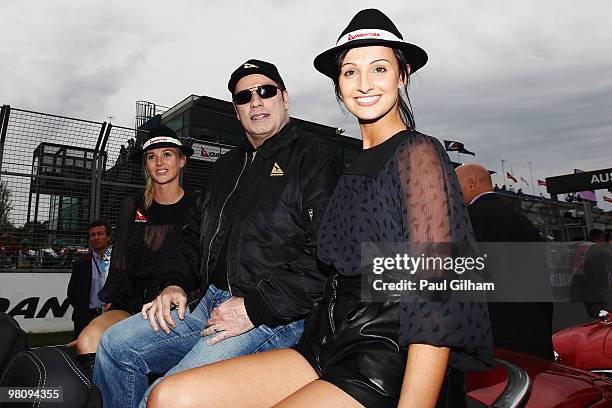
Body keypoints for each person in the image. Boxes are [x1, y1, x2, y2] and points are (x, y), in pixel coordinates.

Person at [146, 9, 493, 408]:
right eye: (350, 72)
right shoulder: (352, 167)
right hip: (322, 343)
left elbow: (439, 295)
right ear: (338, 84)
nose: (364, 84)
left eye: (379, 69)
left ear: (403, 75)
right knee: (170, 396)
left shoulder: (419, 154)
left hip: (381, 357)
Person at [93, 59, 342, 408]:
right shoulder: (225, 167)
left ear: (284, 98)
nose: (255, 101)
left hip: (270, 316)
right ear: (237, 111)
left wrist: (254, 308)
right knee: (114, 346)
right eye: (244, 97)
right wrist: (175, 283)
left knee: (163, 396)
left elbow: (326, 257)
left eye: (265, 91)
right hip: (208, 304)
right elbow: (192, 237)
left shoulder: (316, 156)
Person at [72, 125, 196, 377]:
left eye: (167, 154)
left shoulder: (198, 205)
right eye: (152, 156)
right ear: (145, 165)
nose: (159, 162)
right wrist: (111, 298)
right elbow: (121, 259)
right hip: (130, 304)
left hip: (177, 309)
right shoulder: (132, 206)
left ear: (182, 160)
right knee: (87, 341)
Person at [455, 163, 554, 359]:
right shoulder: (519, 219)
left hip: (499, 339)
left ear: (471, 184)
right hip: (534, 333)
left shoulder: (472, 218)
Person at [67, 220, 112, 340]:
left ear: (108, 237)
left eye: (100, 234)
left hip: (112, 315)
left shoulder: (118, 262)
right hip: (86, 317)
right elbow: (72, 292)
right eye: (92, 235)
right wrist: (82, 310)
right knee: (84, 354)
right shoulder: (80, 263)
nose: (96, 238)